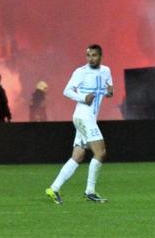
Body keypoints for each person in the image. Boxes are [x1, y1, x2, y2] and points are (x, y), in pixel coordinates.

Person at [46, 43, 112, 203]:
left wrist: (109, 91)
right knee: (100, 152)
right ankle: (90, 191)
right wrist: (82, 98)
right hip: (83, 117)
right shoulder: (80, 72)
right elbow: (67, 91)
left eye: (94, 55)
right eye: (88, 55)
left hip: (88, 117)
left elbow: (108, 88)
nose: (91, 58)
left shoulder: (106, 71)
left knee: (79, 155)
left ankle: (53, 188)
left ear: (100, 56)